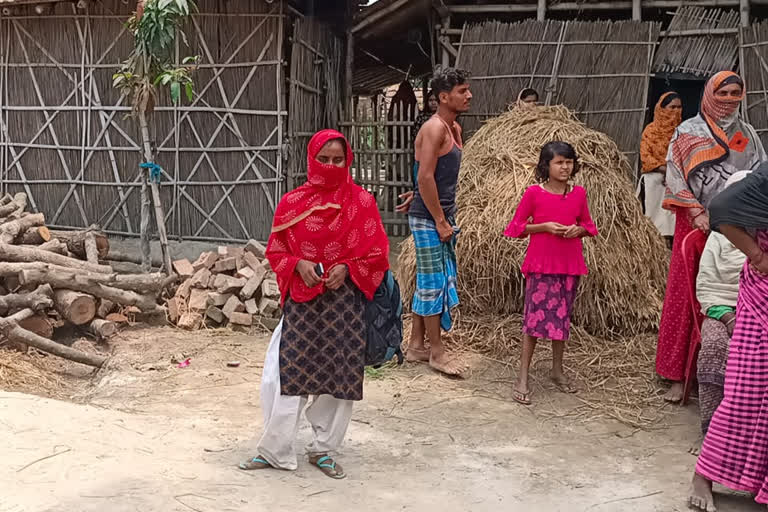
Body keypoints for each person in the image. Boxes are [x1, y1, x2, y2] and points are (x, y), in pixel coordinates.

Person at [238, 129, 390, 480]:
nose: (331, 166)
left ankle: (323, 449)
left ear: (348, 161)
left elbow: (377, 254)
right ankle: (274, 449)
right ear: (312, 159)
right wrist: (297, 265)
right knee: (283, 375)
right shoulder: (292, 203)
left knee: (339, 378)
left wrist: (348, 268)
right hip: (303, 304)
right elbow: (276, 251)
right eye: (324, 159)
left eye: (339, 160)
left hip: (344, 306)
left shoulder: (361, 203)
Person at [656, 71, 766, 403]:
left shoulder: (746, 134)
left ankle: (734, 376)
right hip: (697, 221)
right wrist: (697, 212)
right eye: (724, 92)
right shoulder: (687, 132)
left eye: (736, 93)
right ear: (709, 94)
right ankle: (677, 376)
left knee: (735, 285)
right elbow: (675, 175)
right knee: (689, 290)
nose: (731, 99)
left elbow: (759, 172)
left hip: (739, 224)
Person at [688, 162, 768, 512]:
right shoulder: (764, 179)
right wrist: (757, 255)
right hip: (760, 298)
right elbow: (721, 209)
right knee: (746, 392)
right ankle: (703, 475)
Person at [504, 142, 598, 405]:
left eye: (568, 162)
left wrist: (579, 230)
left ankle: (557, 370)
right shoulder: (534, 194)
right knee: (533, 322)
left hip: (569, 265)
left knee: (562, 320)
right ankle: (522, 376)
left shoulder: (579, 194)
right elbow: (515, 228)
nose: (565, 167)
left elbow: (589, 225)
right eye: (559, 162)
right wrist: (543, 226)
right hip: (541, 265)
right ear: (546, 166)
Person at [405, 68, 472, 377]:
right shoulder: (435, 129)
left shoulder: (453, 129)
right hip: (430, 218)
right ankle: (437, 352)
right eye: (462, 91)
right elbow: (425, 175)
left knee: (433, 279)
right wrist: (440, 221)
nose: (468, 95)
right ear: (444, 97)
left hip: (438, 211)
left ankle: (416, 345)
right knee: (434, 284)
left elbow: (428, 174)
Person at [695, 171, 750, 434]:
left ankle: (750, 430)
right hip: (722, 310)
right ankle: (714, 429)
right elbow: (706, 286)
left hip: (758, 311)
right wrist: (728, 317)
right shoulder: (718, 236)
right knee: (715, 346)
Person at [638, 92, 682, 242]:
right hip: (655, 178)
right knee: (655, 218)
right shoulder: (651, 131)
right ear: (662, 109)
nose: (676, 111)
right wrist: (666, 170)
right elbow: (646, 157)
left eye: (679, 107)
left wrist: (674, 173)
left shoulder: (683, 133)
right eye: (672, 107)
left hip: (677, 178)